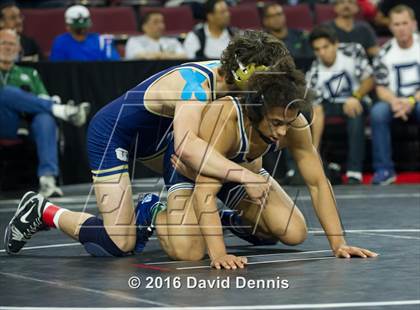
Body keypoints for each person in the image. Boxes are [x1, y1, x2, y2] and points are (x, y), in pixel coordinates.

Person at [4, 31, 286, 258]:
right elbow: (187, 148)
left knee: (257, 217)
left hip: (162, 139)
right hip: (115, 134)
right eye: (269, 76)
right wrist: (243, 175)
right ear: (246, 72)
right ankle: (43, 211)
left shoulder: (241, 90)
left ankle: (208, 219)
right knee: (119, 242)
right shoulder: (196, 86)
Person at [152, 61, 378, 269]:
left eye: (287, 124)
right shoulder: (227, 119)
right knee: (189, 252)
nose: (282, 132)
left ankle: (226, 219)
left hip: (241, 171)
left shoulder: (295, 123)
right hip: (194, 168)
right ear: (254, 113)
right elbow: (205, 192)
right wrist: (219, 254)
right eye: (276, 123)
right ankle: (152, 210)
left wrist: (338, 243)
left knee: (293, 232)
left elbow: (318, 183)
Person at [0, 29, 91, 197]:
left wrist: (39, 103)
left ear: (19, 49)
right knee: (5, 92)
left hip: (25, 126)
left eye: (12, 44)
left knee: (45, 118)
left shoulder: (29, 73)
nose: (7, 47)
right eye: (4, 43)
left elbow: (42, 99)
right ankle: (63, 110)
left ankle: (47, 180)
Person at [307, 26, 374, 184]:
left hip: (358, 99)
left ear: (335, 44)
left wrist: (355, 96)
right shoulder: (314, 72)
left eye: (325, 47)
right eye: (317, 49)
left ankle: (354, 171)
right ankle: (318, 162)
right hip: (330, 105)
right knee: (307, 113)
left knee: (354, 112)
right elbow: (317, 110)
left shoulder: (353, 51)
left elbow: (370, 79)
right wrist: (314, 149)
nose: (322, 53)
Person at [371, 5, 420, 185]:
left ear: (414, 24)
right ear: (390, 27)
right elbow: (381, 88)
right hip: (395, 101)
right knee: (378, 112)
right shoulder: (383, 53)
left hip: (416, 99)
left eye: (405, 23)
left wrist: (411, 100)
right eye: (397, 24)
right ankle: (384, 169)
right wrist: (395, 102)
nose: (401, 28)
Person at [49, 5, 120, 61]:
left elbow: (113, 66)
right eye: (78, 29)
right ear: (68, 26)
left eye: (84, 27)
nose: (82, 30)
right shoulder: (61, 42)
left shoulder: (102, 41)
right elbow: (57, 69)